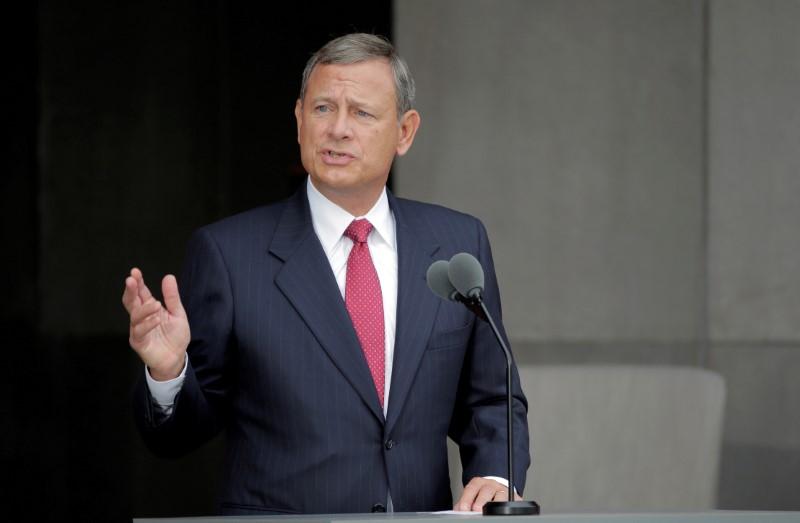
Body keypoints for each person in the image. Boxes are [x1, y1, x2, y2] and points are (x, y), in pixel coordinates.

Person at [122, 33, 529, 515]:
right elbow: (182, 434)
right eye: (322, 109)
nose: (338, 129)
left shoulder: (458, 243)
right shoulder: (230, 254)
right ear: (298, 120)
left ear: (404, 131)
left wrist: (495, 474)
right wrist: (168, 373)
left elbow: (492, 397)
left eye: (361, 112)